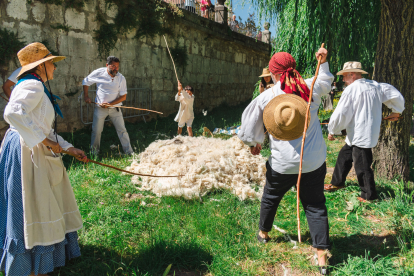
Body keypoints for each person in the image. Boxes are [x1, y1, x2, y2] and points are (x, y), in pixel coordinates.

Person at [238, 48, 333, 275]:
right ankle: (321, 254)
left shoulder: (266, 97)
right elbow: (326, 80)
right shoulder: (310, 88)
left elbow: (248, 127)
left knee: (271, 196)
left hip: (282, 164)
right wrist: (324, 61)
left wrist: (254, 143)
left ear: (273, 74)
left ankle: (263, 233)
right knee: (315, 204)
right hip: (312, 161)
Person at [1, 42, 87, 276]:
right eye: (51, 63)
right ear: (40, 66)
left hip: (27, 146)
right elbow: (12, 113)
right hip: (26, 152)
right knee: (33, 204)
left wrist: (68, 148)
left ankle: (33, 262)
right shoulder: (33, 85)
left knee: (37, 203)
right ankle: (30, 267)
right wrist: (47, 143)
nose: (55, 68)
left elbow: (40, 125)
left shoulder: (34, 85)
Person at [325, 62, 404, 202]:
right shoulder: (375, 85)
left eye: (344, 76)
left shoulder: (352, 90)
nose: (343, 79)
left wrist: (332, 129)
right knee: (344, 156)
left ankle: (369, 196)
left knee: (362, 165)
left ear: (352, 74)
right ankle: (338, 182)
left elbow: (342, 113)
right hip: (360, 132)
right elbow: (393, 93)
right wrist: (397, 110)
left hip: (361, 133)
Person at [83, 56, 134, 155]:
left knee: (122, 130)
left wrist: (110, 104)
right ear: (107, 65)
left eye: (117, 66)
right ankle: (94, 153)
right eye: (113, 66)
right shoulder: (99, 73)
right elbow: (86, 81)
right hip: (100, 109)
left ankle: (129, 152)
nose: (116, 68)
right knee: (96, 131)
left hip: (115, 108)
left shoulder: (121, 78)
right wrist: (86, 96)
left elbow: (123, 97)